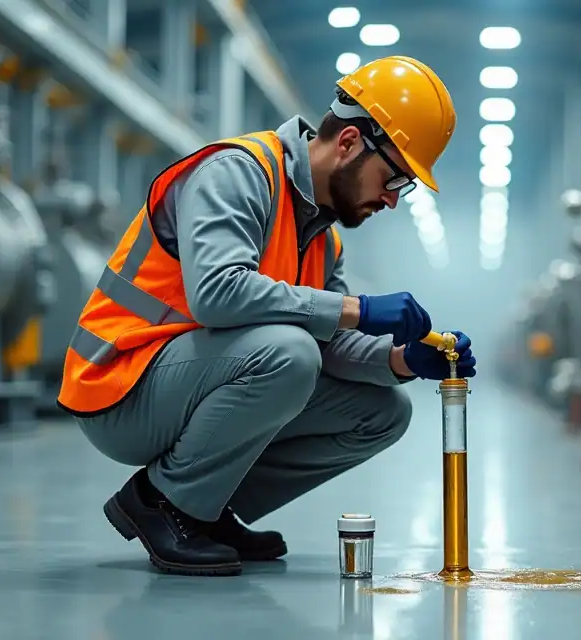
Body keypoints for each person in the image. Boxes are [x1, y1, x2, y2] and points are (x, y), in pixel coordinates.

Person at [56, 56, 477, 577]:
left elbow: (329, 344)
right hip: (121, 385)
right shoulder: (237, 173)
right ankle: (163, 502)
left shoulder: (325, 240)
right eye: (394, 178)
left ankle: (206, 509)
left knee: (385, 412)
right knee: (289, 354)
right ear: (347, 142)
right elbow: (217, 293)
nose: (392, 200)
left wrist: (403, 359)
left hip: (193, 381)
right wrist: (358, 309)